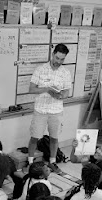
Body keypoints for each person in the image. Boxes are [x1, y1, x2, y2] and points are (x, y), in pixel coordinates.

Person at [27, 43, 72, 174]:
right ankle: (30, 162)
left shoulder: (65, 72)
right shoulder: (40, 69)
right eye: (57, 58)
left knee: (54, 137)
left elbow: (66, 93)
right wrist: (47, 89)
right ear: (53, 54)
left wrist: (59, 95)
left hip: (56, 110)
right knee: (35, 137)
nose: (59, 61)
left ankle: (52, 162)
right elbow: (31, 89)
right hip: (40, 109)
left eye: (62, 59)